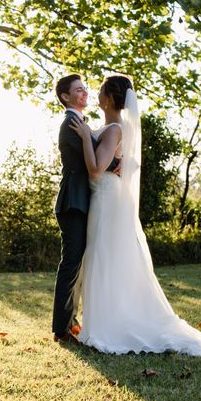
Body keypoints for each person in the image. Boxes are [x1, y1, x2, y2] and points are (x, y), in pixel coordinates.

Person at [69, 75, 201, 356]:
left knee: (103, 258)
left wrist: (87, 138)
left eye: (100, 90)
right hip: (106, 198)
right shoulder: (113, 128)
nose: (95, 94)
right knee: (104, 258)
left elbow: (97, 169)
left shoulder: (112, 129)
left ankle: (107, 327)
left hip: (107, 199)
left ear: (109, 98)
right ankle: (101, 321)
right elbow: (124, 164)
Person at [52, 74, 119, 344]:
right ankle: (61, 328)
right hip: (74, 201)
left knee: (77, 264)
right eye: (78, 90)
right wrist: (116, 161)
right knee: (71, 263)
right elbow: (97, 158)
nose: (84, 93)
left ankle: (70, 322)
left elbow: (98, 151)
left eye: (84, 89)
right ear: (66, 97)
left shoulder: (80, 123)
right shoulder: (71, 122)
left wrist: (116, 159)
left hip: (82, 200)